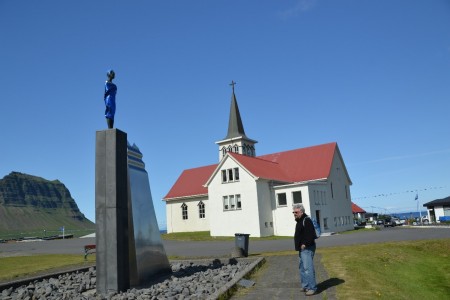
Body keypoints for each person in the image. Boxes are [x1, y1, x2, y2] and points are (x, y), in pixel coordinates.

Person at [293, 203, 317, 296]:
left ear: (301, 212)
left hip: (307, 248)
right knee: (302, 268)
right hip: (302, 249)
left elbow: (310, 234)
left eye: (296, 212)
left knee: (308, 268)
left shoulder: (306, 220)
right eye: (293, 212)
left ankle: (312, 288)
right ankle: (305, 286)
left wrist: (304, 244)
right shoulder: (299, 220)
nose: (294, 213)